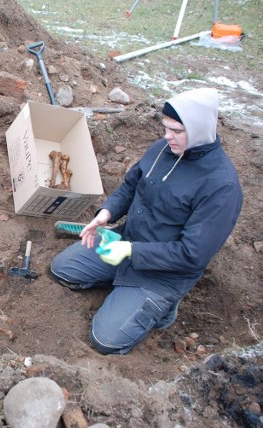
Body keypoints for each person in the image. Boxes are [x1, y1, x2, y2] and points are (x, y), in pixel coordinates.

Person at [49, 87, 243, 355]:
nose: (167, 136)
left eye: (176, 130)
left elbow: (192, 255)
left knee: (105, 340)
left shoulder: (221, 187)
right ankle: (120, 285)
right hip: (126, 241)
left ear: (198, 129)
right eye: (165, 128)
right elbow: (130, 186)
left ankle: (162, 308)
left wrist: (131, 251)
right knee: (62, 269)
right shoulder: (162, 150)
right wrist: (105, 215)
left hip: (163, 275)